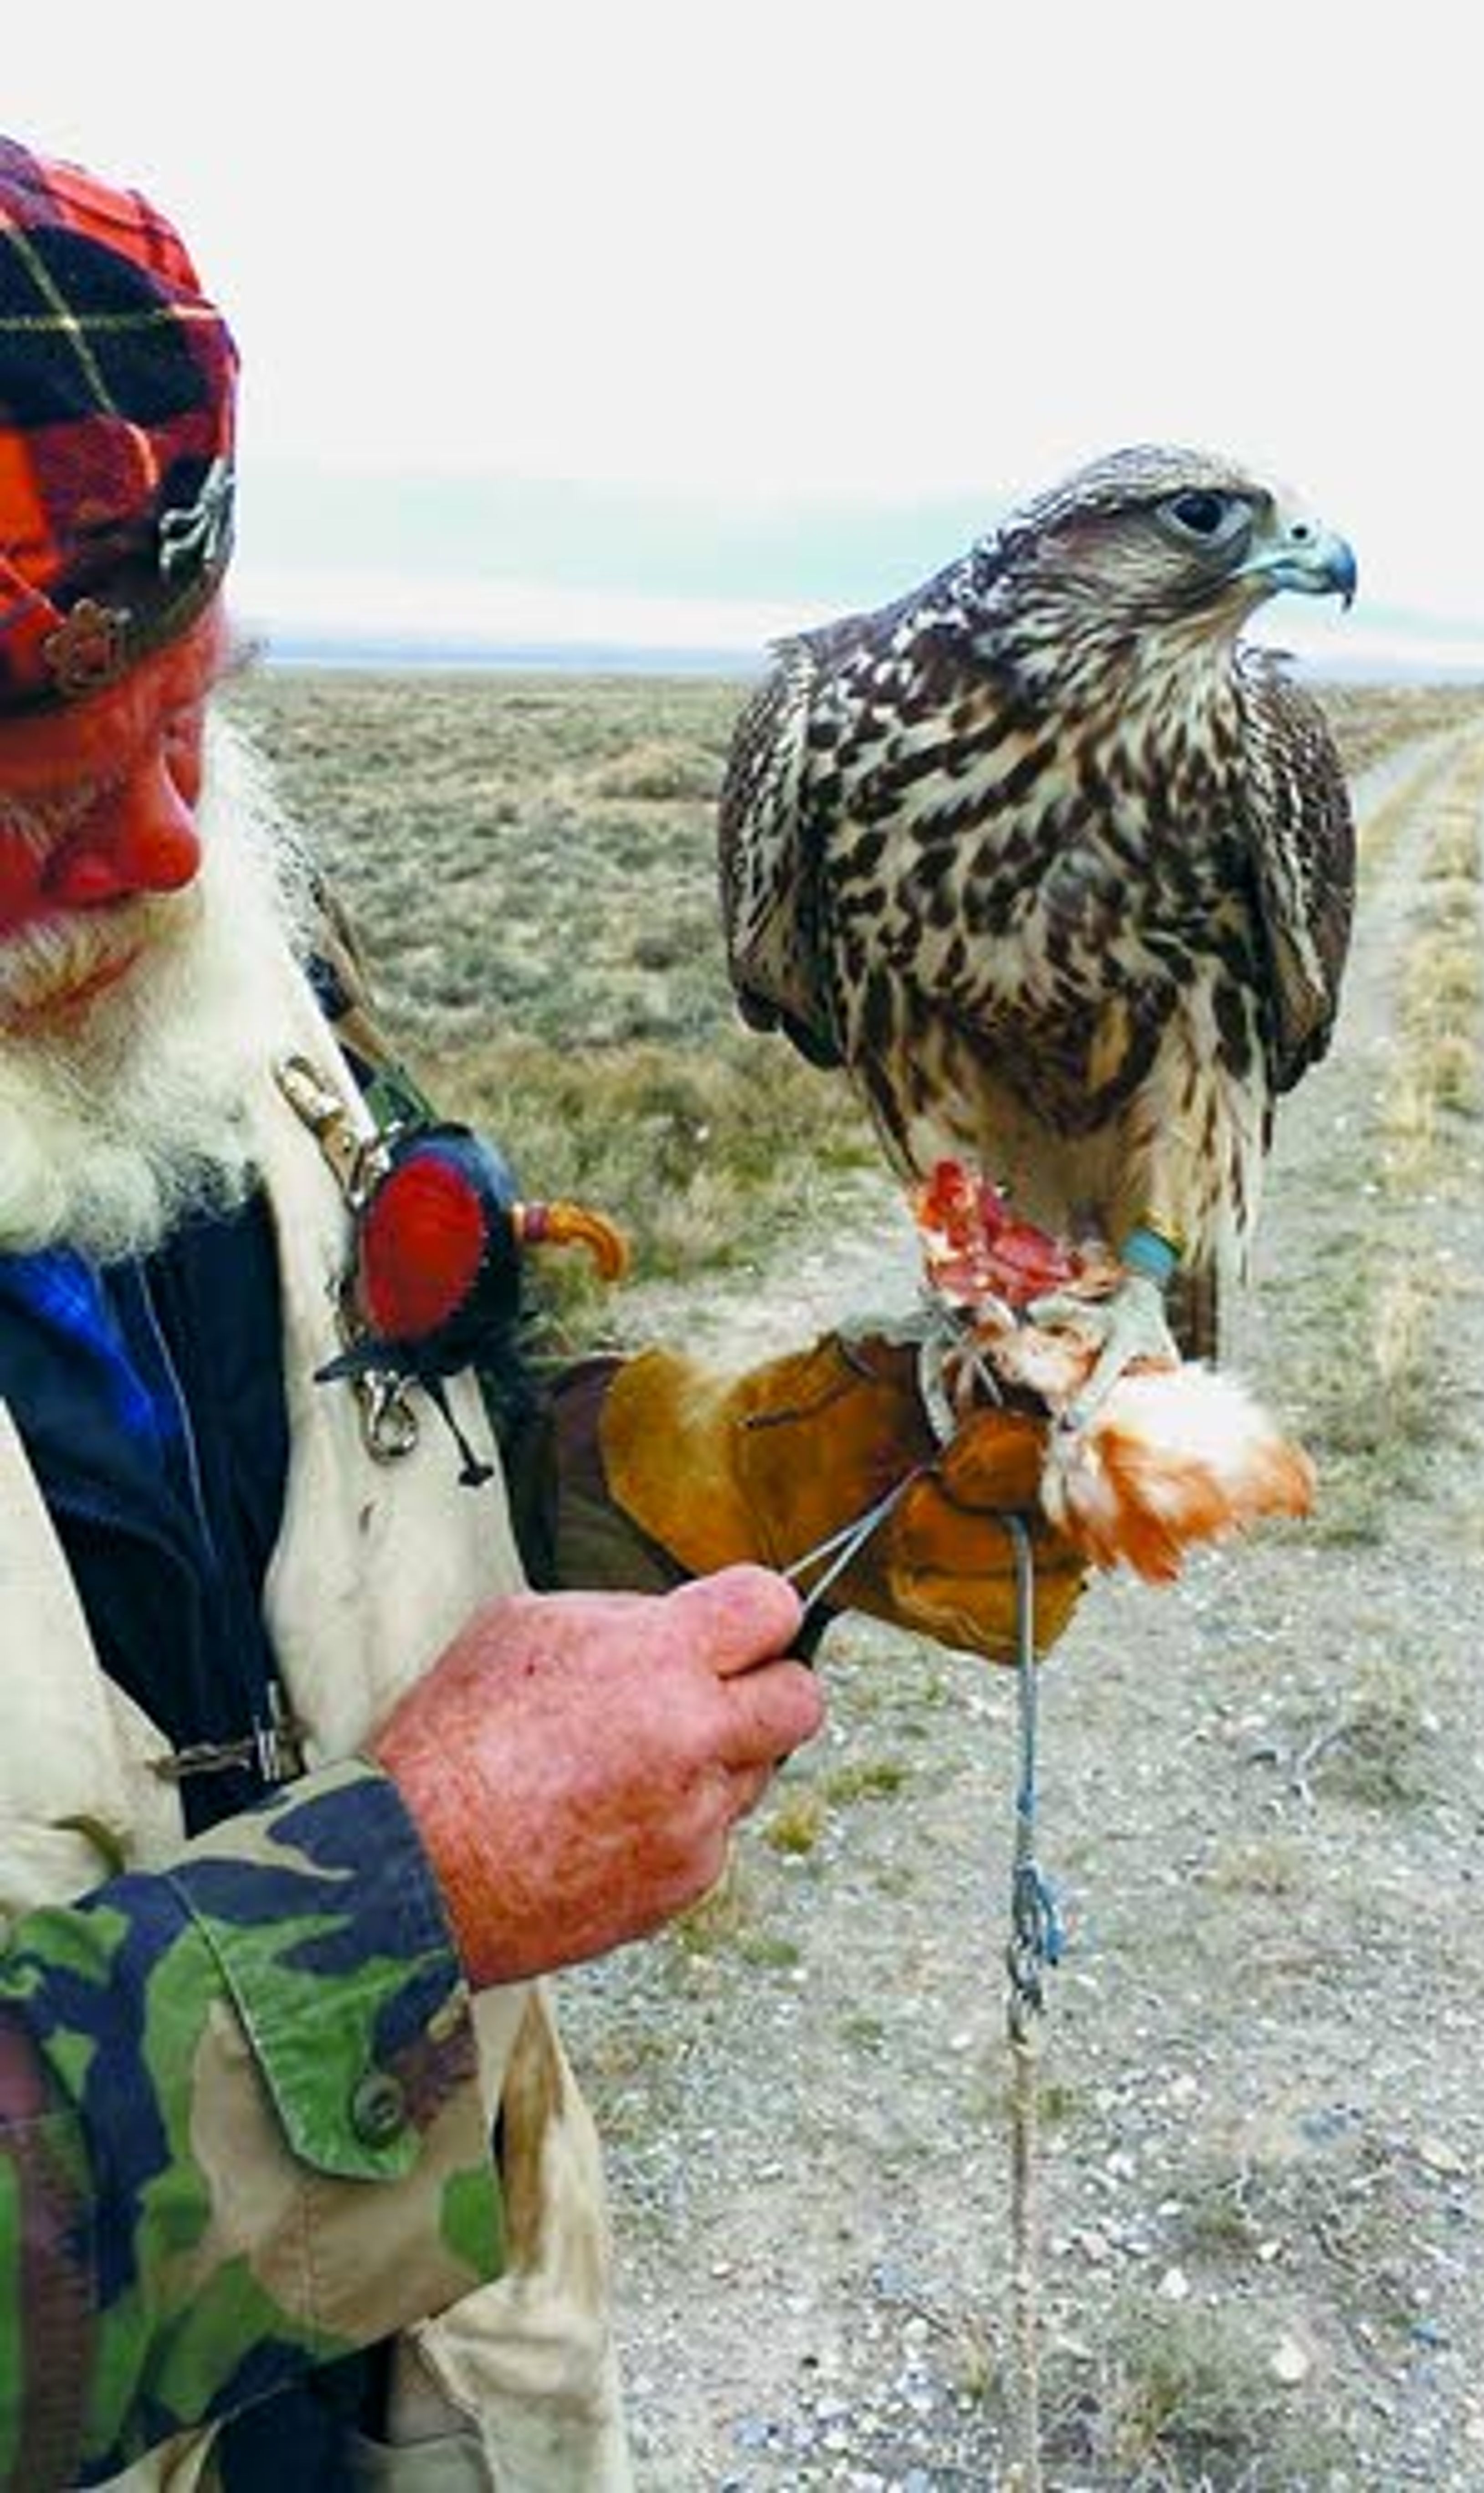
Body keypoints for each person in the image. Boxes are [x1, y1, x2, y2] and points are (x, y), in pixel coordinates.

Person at [0, 137, 1084, 2488]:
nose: (170, 854)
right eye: (38, 807)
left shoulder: (215, 979)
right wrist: (400, 1907)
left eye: (199, 716)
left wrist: (709, 1469)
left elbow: (343, 1475)